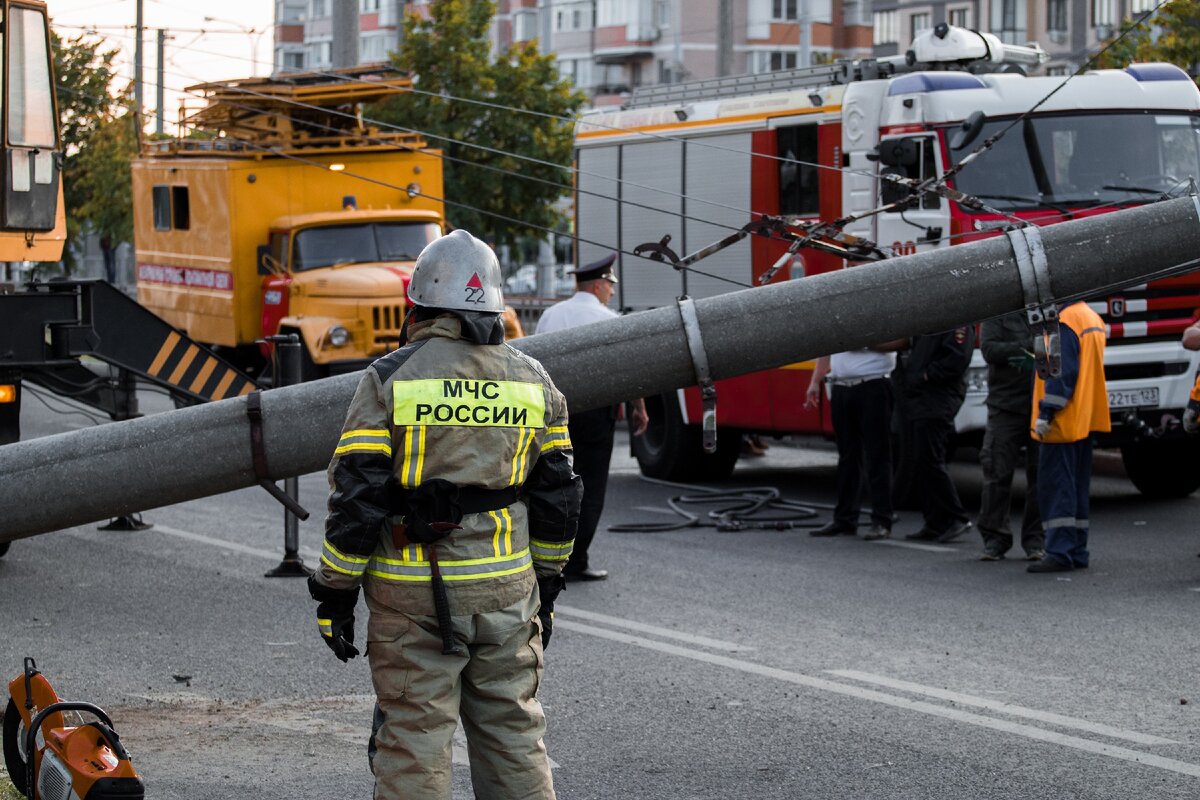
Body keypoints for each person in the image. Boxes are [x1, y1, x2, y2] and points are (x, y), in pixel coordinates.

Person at [308, 229, 583, 799]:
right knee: (513, 735)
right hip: (507, 591)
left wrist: (335, 591)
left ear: (420, 306)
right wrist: (548, 583)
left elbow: (358, 495)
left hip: (414, 595)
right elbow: (559, 498)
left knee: (413, 739)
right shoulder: (535, 381)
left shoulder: (390, 378)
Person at [536, 253, 648, 581]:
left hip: (552, 412)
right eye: (610, 285)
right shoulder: (609, 319)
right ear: (599, 285)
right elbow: (627, 372)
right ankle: (576, 560)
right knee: (590, 485)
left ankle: (543, 556)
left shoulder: (550, 316)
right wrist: (639, 408)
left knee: (550, 482)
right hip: (595, 415)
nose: (612, 292)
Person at [1027, 300, 1110, 573]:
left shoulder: (1063, 323)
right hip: (1083, 420)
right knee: (1075, 488)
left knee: (1057, 487)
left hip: (1060, 424)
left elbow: (1060, 372)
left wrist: (1047, 412)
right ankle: (1076, 550)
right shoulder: (1091, 318)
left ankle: (1059, 551)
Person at [805, 342, 904, 540]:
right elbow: (826, 345)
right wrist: (815, 380)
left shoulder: (879, 311)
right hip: (841, 385)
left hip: (873, 384)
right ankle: (845, 519)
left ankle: (882, 520)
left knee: (878, 455)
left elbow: (902, 341)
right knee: (847, 456)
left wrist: (865, 344)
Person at [976, 312, 1045, 561]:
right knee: (997, 471)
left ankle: (1035, 540)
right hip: (1005, 405)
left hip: (1040, 405)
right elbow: (989, 350)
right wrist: (1026, 347)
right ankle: (995, 538)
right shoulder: (999, 314)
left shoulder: (1046, 311)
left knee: (1040, 476)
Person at [900, 326, 975, 543]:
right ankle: (934, 522)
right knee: (921, 461)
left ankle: (956, 517)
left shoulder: (957, 319)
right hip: (922, 398)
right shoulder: (931, 318)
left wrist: (927, 375)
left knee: (931, 460)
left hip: (937, 397)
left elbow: (957, 358)